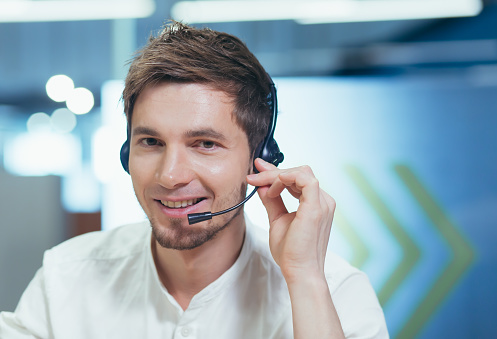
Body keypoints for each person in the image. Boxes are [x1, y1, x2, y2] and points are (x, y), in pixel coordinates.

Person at [0, 21, 388, 338]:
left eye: (204, 144)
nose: (170, 176)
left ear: (260, 160)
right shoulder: (67, 278)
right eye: (151, 142)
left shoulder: (334, 293)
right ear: (125, 154)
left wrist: (304, 279)